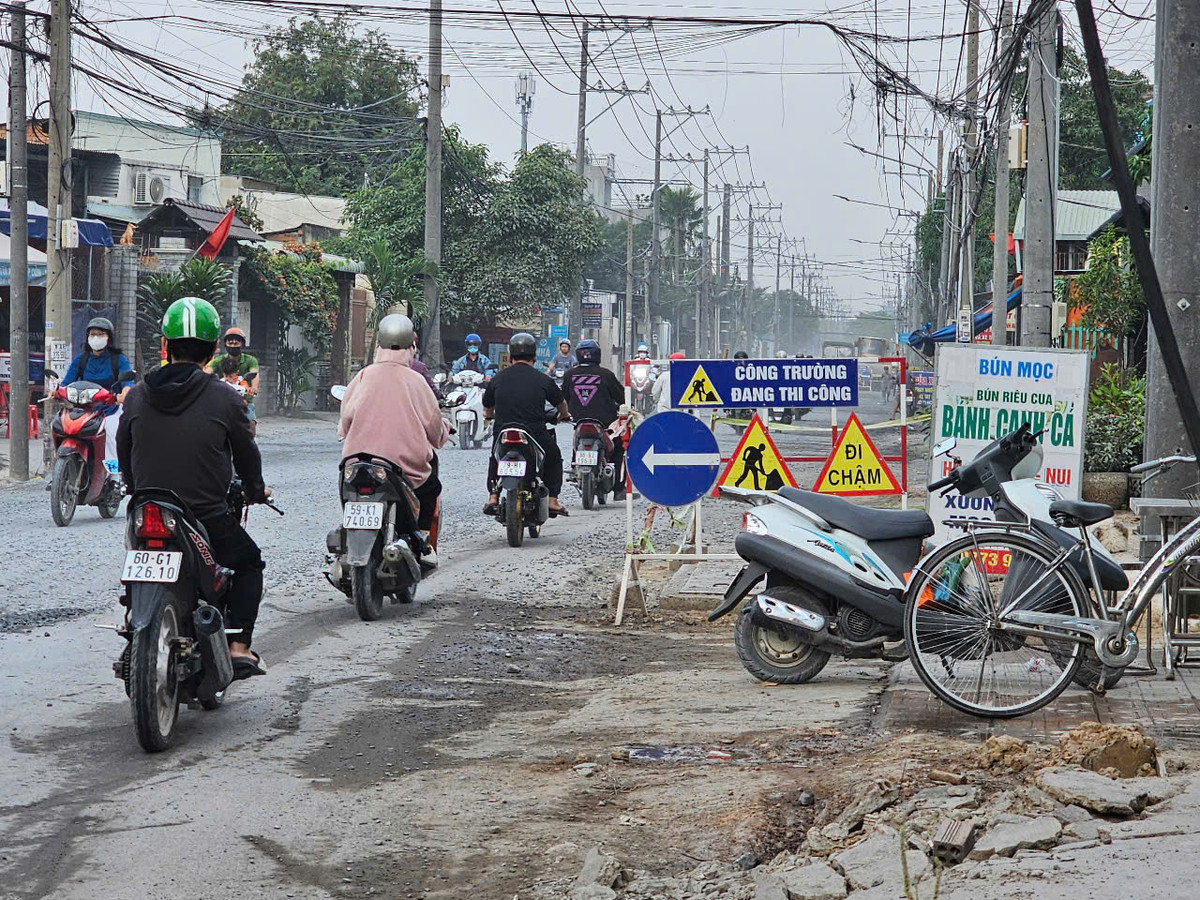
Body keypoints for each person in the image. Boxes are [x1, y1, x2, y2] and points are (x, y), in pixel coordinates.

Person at [117, 297, 271, 680]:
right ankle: (239, 646)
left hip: (146, 511)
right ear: (214, 349)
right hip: (205, 515)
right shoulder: (225, 397)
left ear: (164, 346)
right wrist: (256, 489)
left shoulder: (137, 394)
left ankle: (134, 624)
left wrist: (138, 490)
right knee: (248, 562)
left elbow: (125, 450)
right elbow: (246, 454)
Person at [339, 314, 450, 565]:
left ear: (379, 344)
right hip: (402, 467)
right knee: (431, 487)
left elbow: (346, 418)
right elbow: (433, 426)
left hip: (357, 462)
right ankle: (422, 540)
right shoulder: (416, 380)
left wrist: (346, 432)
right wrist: (443, 433)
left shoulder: (363, 376)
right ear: (412, 346)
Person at [482, 332, 570, 518]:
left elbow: (488, 407)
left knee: (496, 457)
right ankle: (553, 500)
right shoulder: (543, 379)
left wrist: (490, 416)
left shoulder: (498, 378)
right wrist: (564, 415)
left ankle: (493, 496)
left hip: (503, 432)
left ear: (511, 356)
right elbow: (561, 403)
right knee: (553, 456)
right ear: (534, 356)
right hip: (534, 432)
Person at [562, 339, 627, 500]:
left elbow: (562, 398)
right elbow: (621, 397)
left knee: (576, 444)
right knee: (618, 448)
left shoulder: (570, 374)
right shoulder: (606, 374)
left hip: (578, 421)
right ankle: (619, 489)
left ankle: (574, 466)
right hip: (604, 423)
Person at [207, 327, 260, 436]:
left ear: (242, 344)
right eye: (230, 341)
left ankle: (249, 449)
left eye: (237, 341)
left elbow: (255, 375)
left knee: (251, 424)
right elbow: (206, 373)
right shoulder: (219, 361)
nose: (233, 344)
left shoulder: (250, 360)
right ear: (225, 344)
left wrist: (253, 388)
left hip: (244, 400)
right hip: (223, 400)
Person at [63, 317, 131, 391]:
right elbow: (66, 383)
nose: (96, 338)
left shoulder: (119, 360)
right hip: (84, 401)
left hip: (111, 401)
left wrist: (125, 392)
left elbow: (127, 383)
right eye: (92, 334)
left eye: (100, 334)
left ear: (109, 338)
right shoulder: (80, 360)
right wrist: (57, 391)